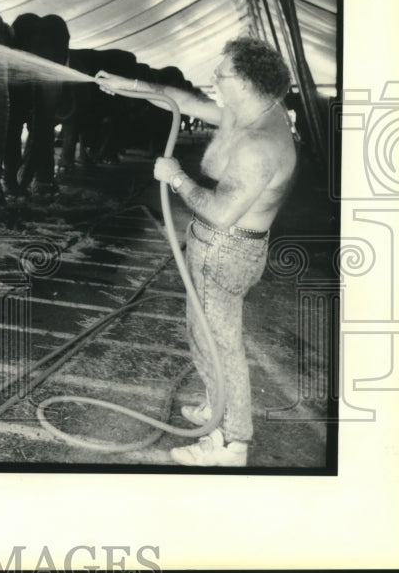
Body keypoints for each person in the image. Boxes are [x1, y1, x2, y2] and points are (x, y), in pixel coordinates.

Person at [96, 38, 296, 466]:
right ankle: (216, 406)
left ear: (244, 81)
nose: (213, 78)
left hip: (226, 250)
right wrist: (126, 84)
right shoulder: (248, 112)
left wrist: (177, 179)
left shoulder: (259, 144)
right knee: (209, 337)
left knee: (219, 346)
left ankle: (229, 444)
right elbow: (182, 100)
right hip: (223, 249)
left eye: (221, 73)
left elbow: (222, 212)